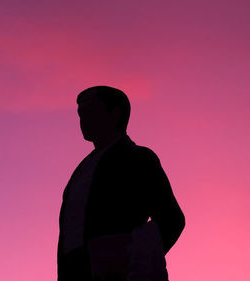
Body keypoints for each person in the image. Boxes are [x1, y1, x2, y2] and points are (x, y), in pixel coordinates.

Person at [58, 86, 185, 281]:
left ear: (115, 113)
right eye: (80, 114)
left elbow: (172, 219)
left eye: (90, 110)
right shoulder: (81, 169)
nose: (83, 119)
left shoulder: (139, 158)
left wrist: (135, 259)